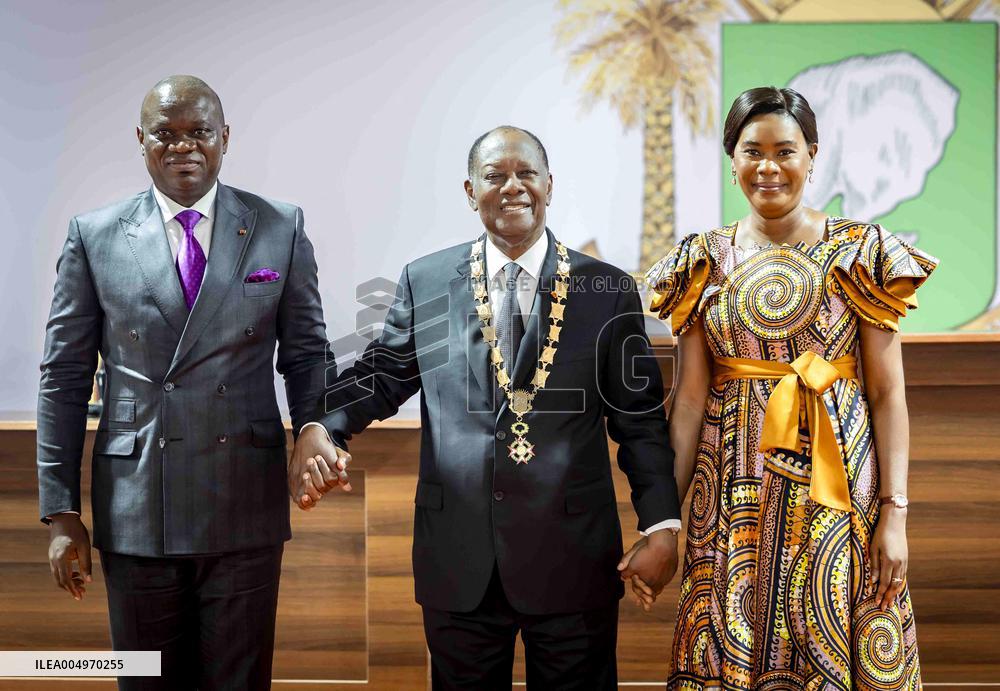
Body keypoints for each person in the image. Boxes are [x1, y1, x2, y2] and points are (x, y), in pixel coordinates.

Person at [289, 126, 682, 690]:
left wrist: (661, 524)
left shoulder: (607, 290)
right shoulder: (426, 281)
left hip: (573, 556)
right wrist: (323, 424)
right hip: (459, 557)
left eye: (527, 174)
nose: (513, 187)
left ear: (550, 185)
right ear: (471, 191)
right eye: (496, 177)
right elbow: (383, 375)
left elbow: (639, 421)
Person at [37, 75, 330, 690]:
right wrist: (61, 512)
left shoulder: (279, 225)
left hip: (243, 500)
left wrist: (312, 426)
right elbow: (64, 379)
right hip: (138, 501)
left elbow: (306, 354)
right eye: (165, 135)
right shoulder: (94, 236)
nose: (183, 147)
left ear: (224, 138)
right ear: (141, 141)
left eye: (198, 132)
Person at [643, 86, 933, 688]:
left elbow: (886, 396)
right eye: (752, 151)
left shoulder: (861, 253)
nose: (768, 167)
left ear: (812, 154)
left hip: (839, 491)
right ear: (732, 160)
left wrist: (895, 515)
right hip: (731, 491)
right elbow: (690, 399)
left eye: (785, 150)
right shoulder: (702, 259)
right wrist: (664, 524)